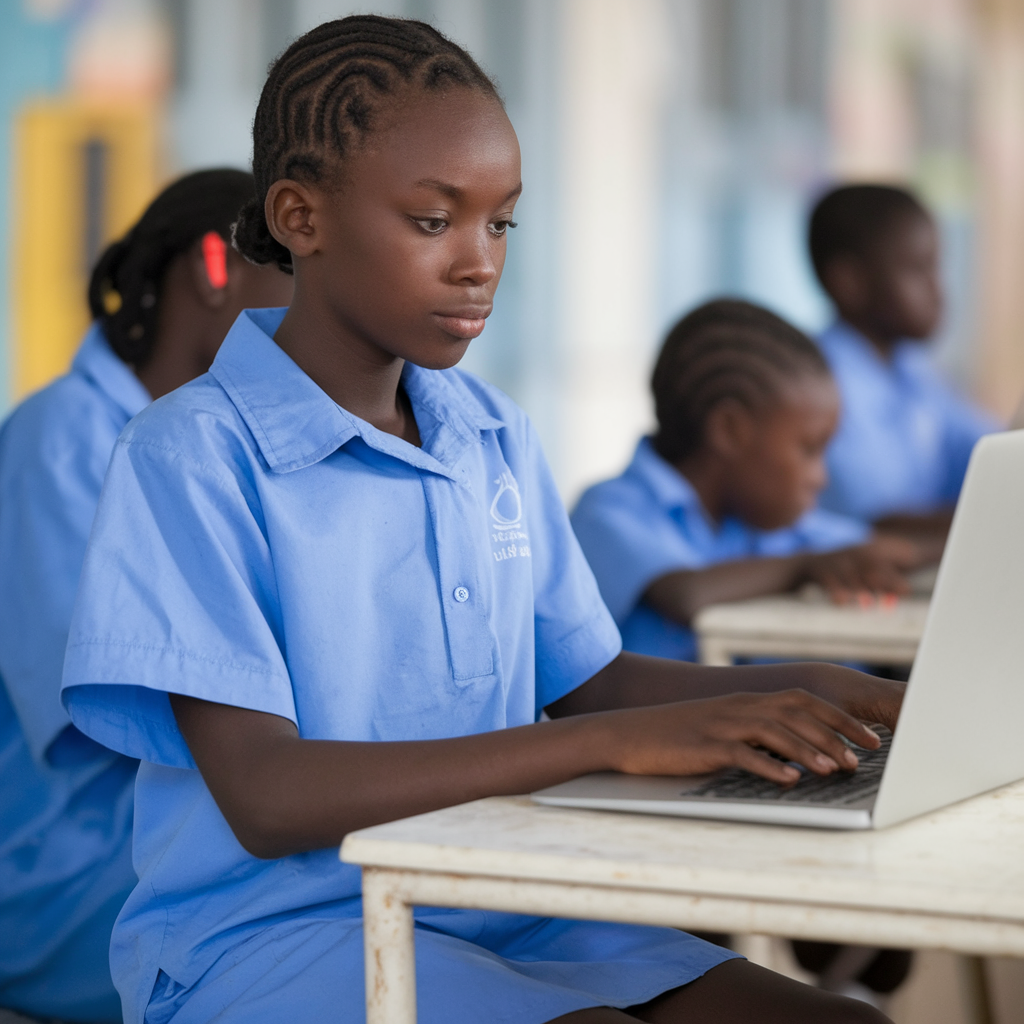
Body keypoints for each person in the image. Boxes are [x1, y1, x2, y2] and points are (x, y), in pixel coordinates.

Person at [61, 17, 900, 1024]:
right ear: (300, 216)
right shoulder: (190, 454)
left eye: (501, 223)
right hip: (268, 936)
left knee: (843, 1020)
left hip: (500, 898)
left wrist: (823, 689)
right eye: (433, 221)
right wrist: (621, 743)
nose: (478, 263)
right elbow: (267, 794)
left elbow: (590, 681)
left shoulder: (489, 431)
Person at [0, 169, 293, 1023]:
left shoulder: (224, 447)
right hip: (70, 862)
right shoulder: (60, 440)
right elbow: (102, 717)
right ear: (214, 267)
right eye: (296, 286)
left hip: (192, 833)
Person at [571, 298, 923, 664]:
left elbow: (871, 551)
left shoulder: (769, 525)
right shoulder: (609, 512)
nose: (821, 478)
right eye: (809, 450)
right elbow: (686, 595)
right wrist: (804, 568)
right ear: (730, 430)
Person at [808, 184, 998, 544]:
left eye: (937, 268)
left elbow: (983, 452)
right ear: (849, 282)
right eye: (917, 270)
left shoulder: (910, 369)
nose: (938, 290)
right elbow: (879, 523)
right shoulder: (817, 383)